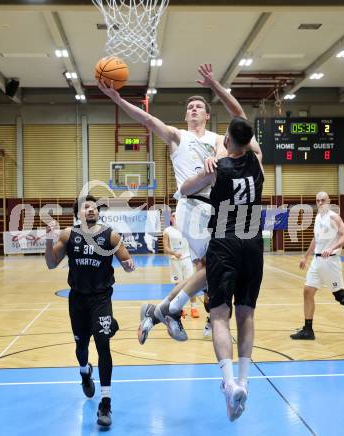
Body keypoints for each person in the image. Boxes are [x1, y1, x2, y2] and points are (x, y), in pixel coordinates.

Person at [98, 64, 243, 343]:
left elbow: (225, 154)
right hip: (191, 206)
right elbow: (148, 121)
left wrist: (219, 158)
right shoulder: (178, 136)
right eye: (190, 108)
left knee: (207, 272)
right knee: (217, 269)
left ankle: (158, 311)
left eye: (199, 107)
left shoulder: (217, 140)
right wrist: (118, 100)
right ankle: (170, 311)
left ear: (208, 114)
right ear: (185, 116)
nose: (194, 110)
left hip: (216, 209)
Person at [181, 116, 264, 421]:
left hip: (225, 244)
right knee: (246, 314)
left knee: (219, 315)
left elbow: (186, 189)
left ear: (227, 141)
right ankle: (244, 381)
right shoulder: (257, 163)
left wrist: (206, 166)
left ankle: (228, 383)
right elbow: (244, 128)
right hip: (253, 244)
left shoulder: (218, 169)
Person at [45, 195, 135, 428]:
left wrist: (128, 264)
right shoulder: (68, 235)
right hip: (78, 300)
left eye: (93, 207)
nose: (91, 209)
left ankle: (105, 402)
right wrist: (48, 240)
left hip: (101, 298)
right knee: (81, 346)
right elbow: (51, 263)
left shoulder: (110, 235)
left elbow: (126, 260)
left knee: (103, 343)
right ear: (78, 213)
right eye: (85, 207)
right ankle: (85, 372)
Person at [290, 192, 344, 341]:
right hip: (317, 261)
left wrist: (332, 247)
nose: (320, 203)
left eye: (323, 200)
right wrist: (306, 256)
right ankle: (308, 330)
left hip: (330, 262)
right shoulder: (318, 217)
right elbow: (316, 239)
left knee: (340, 296)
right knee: (307, 292)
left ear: (329, 201)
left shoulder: (334, 217)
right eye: (318, 201)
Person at [163, 211, 199, 318]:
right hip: (174, 261)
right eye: (173, 216)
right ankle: (179, 309)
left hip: (187, 259)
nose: (175, 218)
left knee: (191, 284)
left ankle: (194, 308)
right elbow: (165, 248)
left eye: (177, 216)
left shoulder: (187, 230)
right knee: (178, 286)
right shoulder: (167, 231)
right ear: (171, 218)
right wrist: (174, 253)